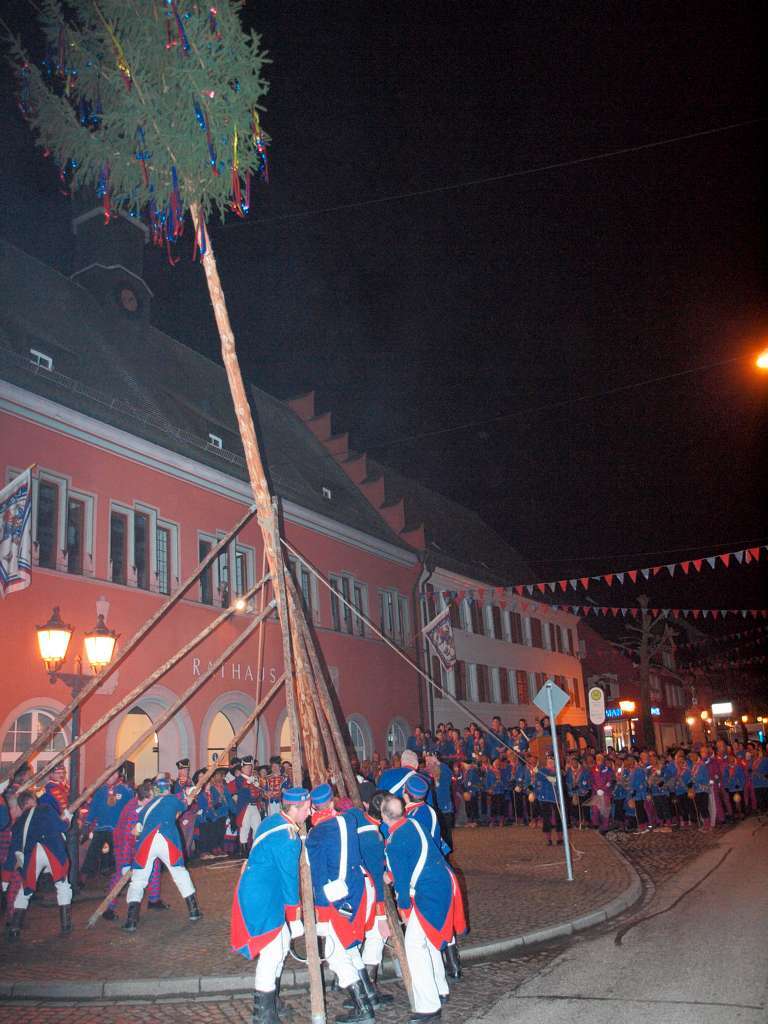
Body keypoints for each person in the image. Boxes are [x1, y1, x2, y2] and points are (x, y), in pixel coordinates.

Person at [381, 793, 467, 1023]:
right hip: (442, 883)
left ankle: (429, 1007)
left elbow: (401, 881)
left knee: (414, 946)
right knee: (427, 942)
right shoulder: (414, 823)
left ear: (384, 817)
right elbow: (416, 855)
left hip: (429, 893)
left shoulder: (395, 842)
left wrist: (405, 910)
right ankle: (440, 988)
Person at [231, 786, 311, 1024]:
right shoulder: (289, 838)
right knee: (272, 952)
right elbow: (289, 879)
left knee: (282, 944)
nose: (310, 812)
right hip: (262, 896)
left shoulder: (273, 821)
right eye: (306, 808)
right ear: (294, 808)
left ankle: (272, 1002)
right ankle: (263, 1015)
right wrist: (294, 918)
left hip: (262, 890)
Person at [304, 783, 373, 1024]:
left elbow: (318, 876)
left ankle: (362, 1007)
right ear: (332, 801)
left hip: (336, 898)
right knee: (350, 943)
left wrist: (322, 912)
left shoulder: (315, 836)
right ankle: (367, 991)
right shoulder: (348, 821)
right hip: (357, 890)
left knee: (335, 953)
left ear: (313, 806)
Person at [123, 776, 202, 932]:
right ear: (168, 789)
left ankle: (131, 920)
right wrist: (190, 795)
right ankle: (194, 911)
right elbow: (184, 803)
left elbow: (137, 829)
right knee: (179, 873)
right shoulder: (171, 799)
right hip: (166, 837)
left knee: (138, 879)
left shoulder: (146, 807)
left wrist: (189, 795)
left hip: (147, 840)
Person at [342, 790, 394, 1009]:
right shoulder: (373, 839)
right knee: (375, 936)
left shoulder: (354, 815)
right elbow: (375, 876)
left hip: (349, 886)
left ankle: (364, 987)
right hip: (365, 889)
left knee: (354, 939)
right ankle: (368, 987)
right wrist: (381, 915)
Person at [5, 789, 72, 942]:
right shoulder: (46, 809)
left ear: (22, 806)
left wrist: (7, 875)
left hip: (31, 854)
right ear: (32, 801)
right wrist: (68, 817)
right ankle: (66, 925)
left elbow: (14, 849)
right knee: (62, 885)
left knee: (25, 890)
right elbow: (62, 827)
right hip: (51, 850)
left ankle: (15, 927)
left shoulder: (18, 823)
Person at [82, 766, 133, 880]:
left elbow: (131, 808)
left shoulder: (126, 790)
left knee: (115, 857)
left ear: (118, 775)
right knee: (92, 855)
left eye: (114, 774)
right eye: (109, 774)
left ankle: (114, 882)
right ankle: (85, 879)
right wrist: (87, 824)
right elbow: (94, 808)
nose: (111, 777)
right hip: (100, 828)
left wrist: (130, 825)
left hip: (117, 829)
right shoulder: (100, 790)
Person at [534, 755, 563, 846]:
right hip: (545, 797)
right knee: (547, 819)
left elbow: (559, 782)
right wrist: (536, 772)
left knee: (559, 818)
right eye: (549, 762)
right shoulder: (542, 771)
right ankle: (548, 839)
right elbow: (539, 779)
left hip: (556, 798)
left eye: (552, 762)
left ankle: (559, 838)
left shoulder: (558, 771)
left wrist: (554, 778)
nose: (551, 763)